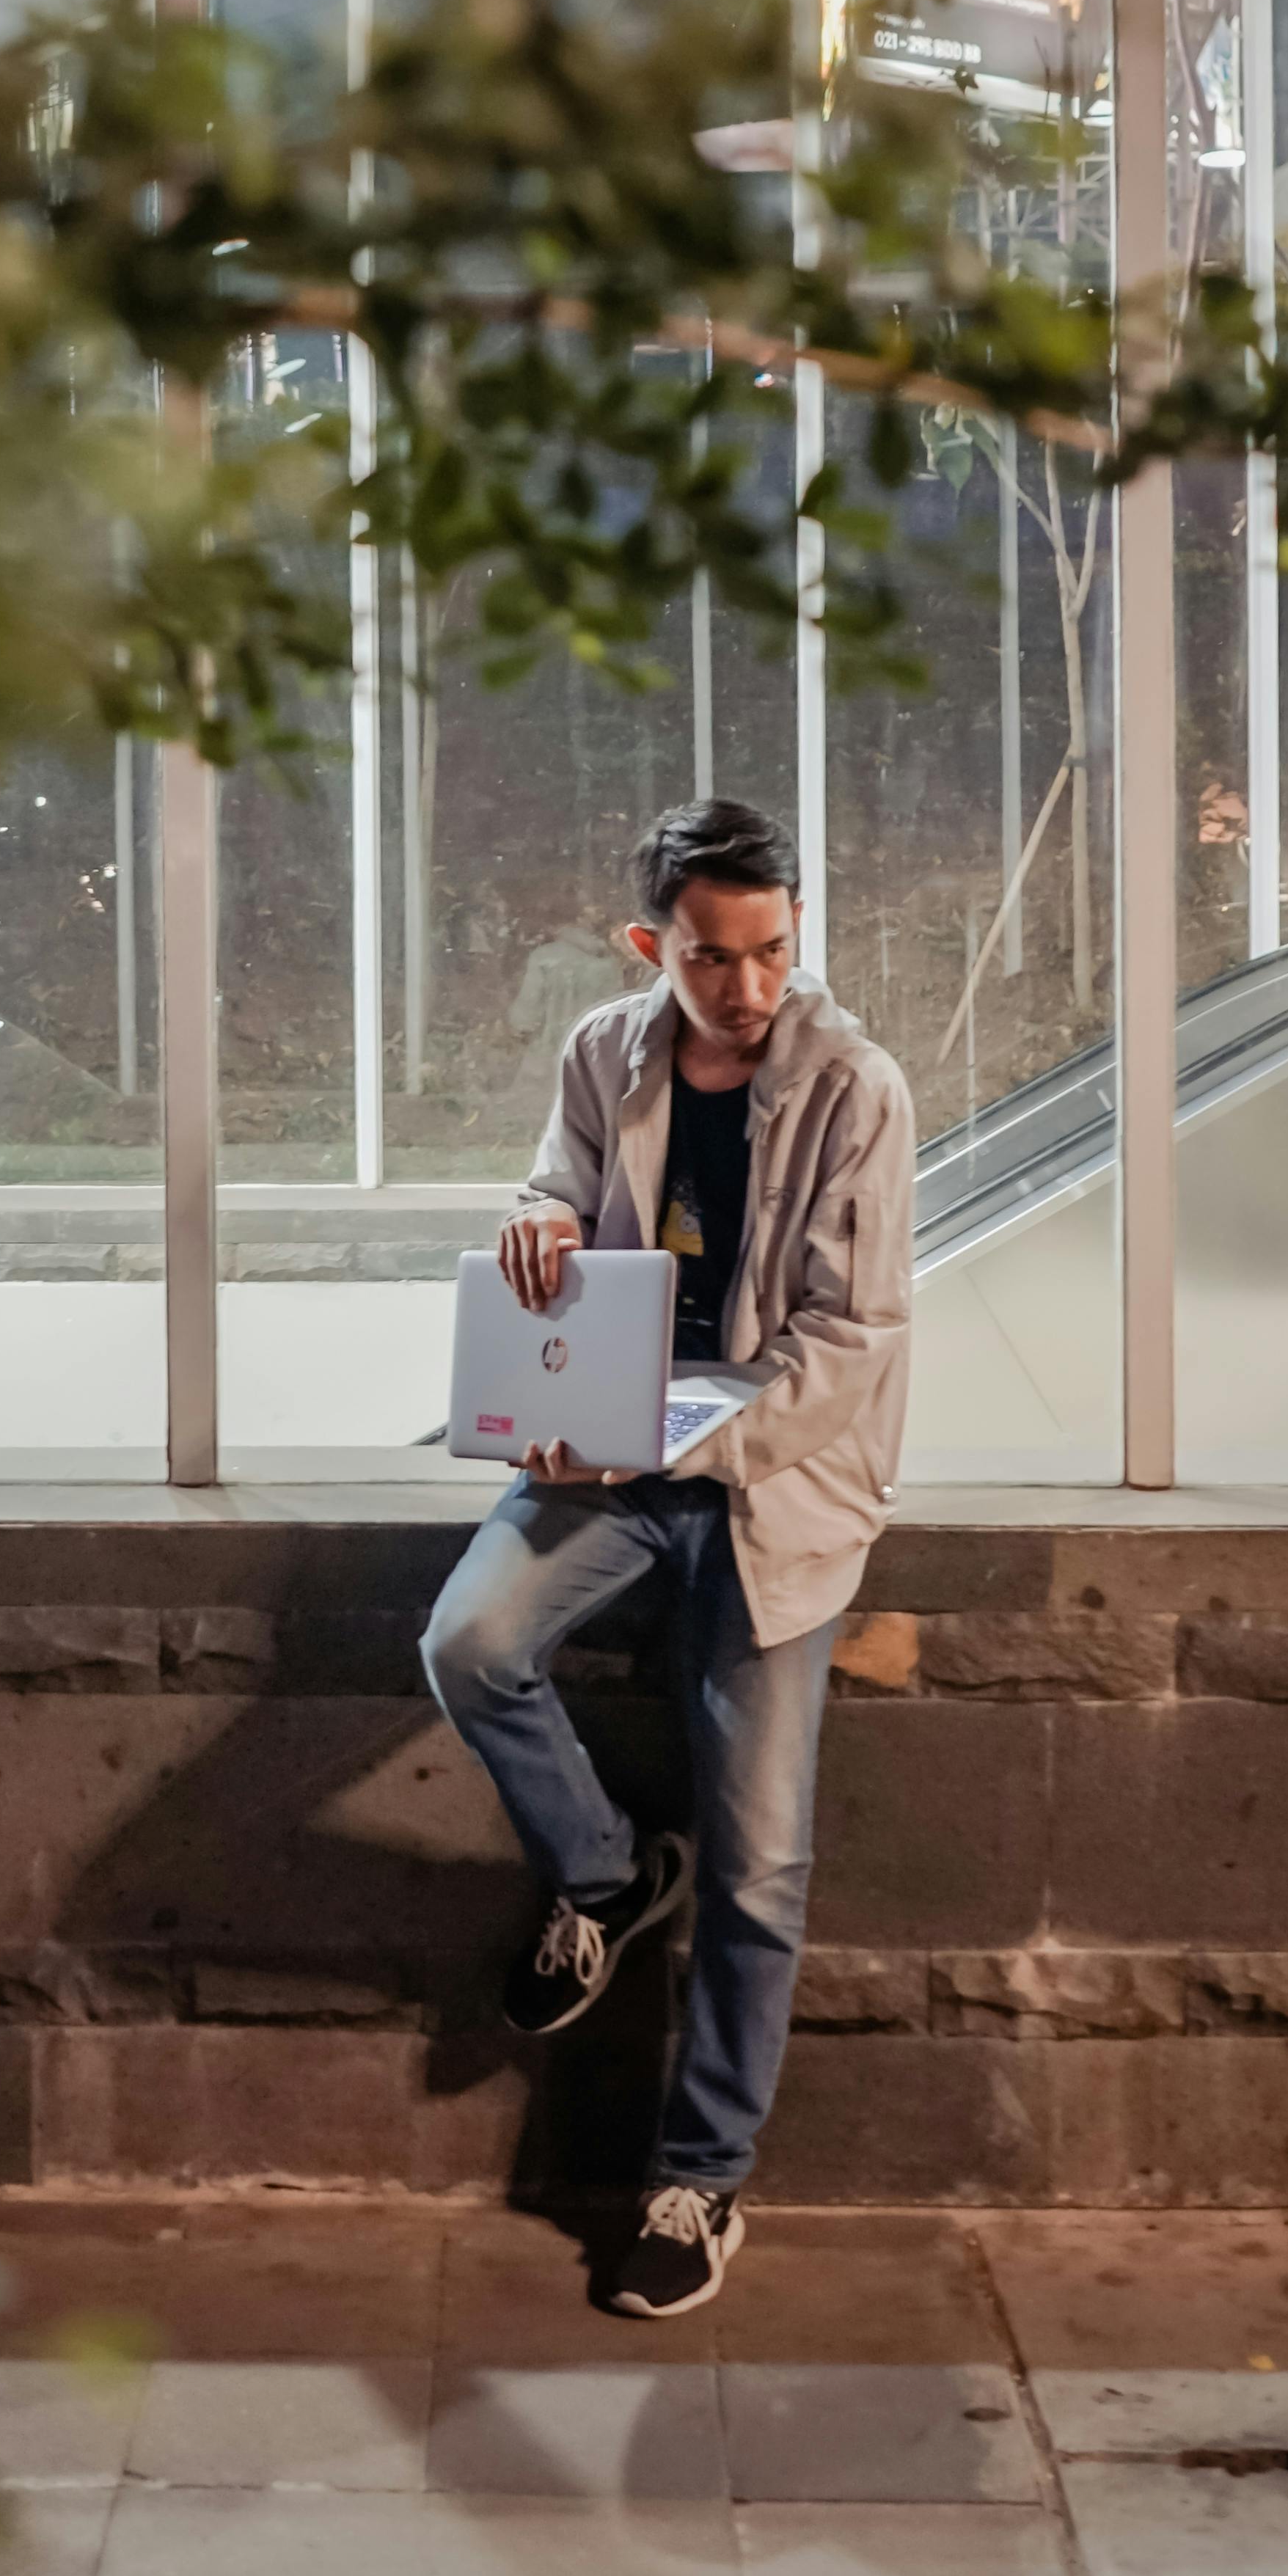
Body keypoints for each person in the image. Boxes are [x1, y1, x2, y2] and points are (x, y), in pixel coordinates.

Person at [420, 796, 915, 2317]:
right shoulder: (603, 1048)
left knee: (761, 1861)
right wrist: (532, 1218)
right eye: (713, 957)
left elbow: (852, 1340)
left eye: (773, 949)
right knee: (470, 1642)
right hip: (612, 1444)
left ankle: (697, 2179)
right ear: (654, 945)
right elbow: (562, 1178)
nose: (750, 987)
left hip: (768, 1477)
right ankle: (605, 1866)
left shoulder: (856, 1086)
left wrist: (675, 1446)